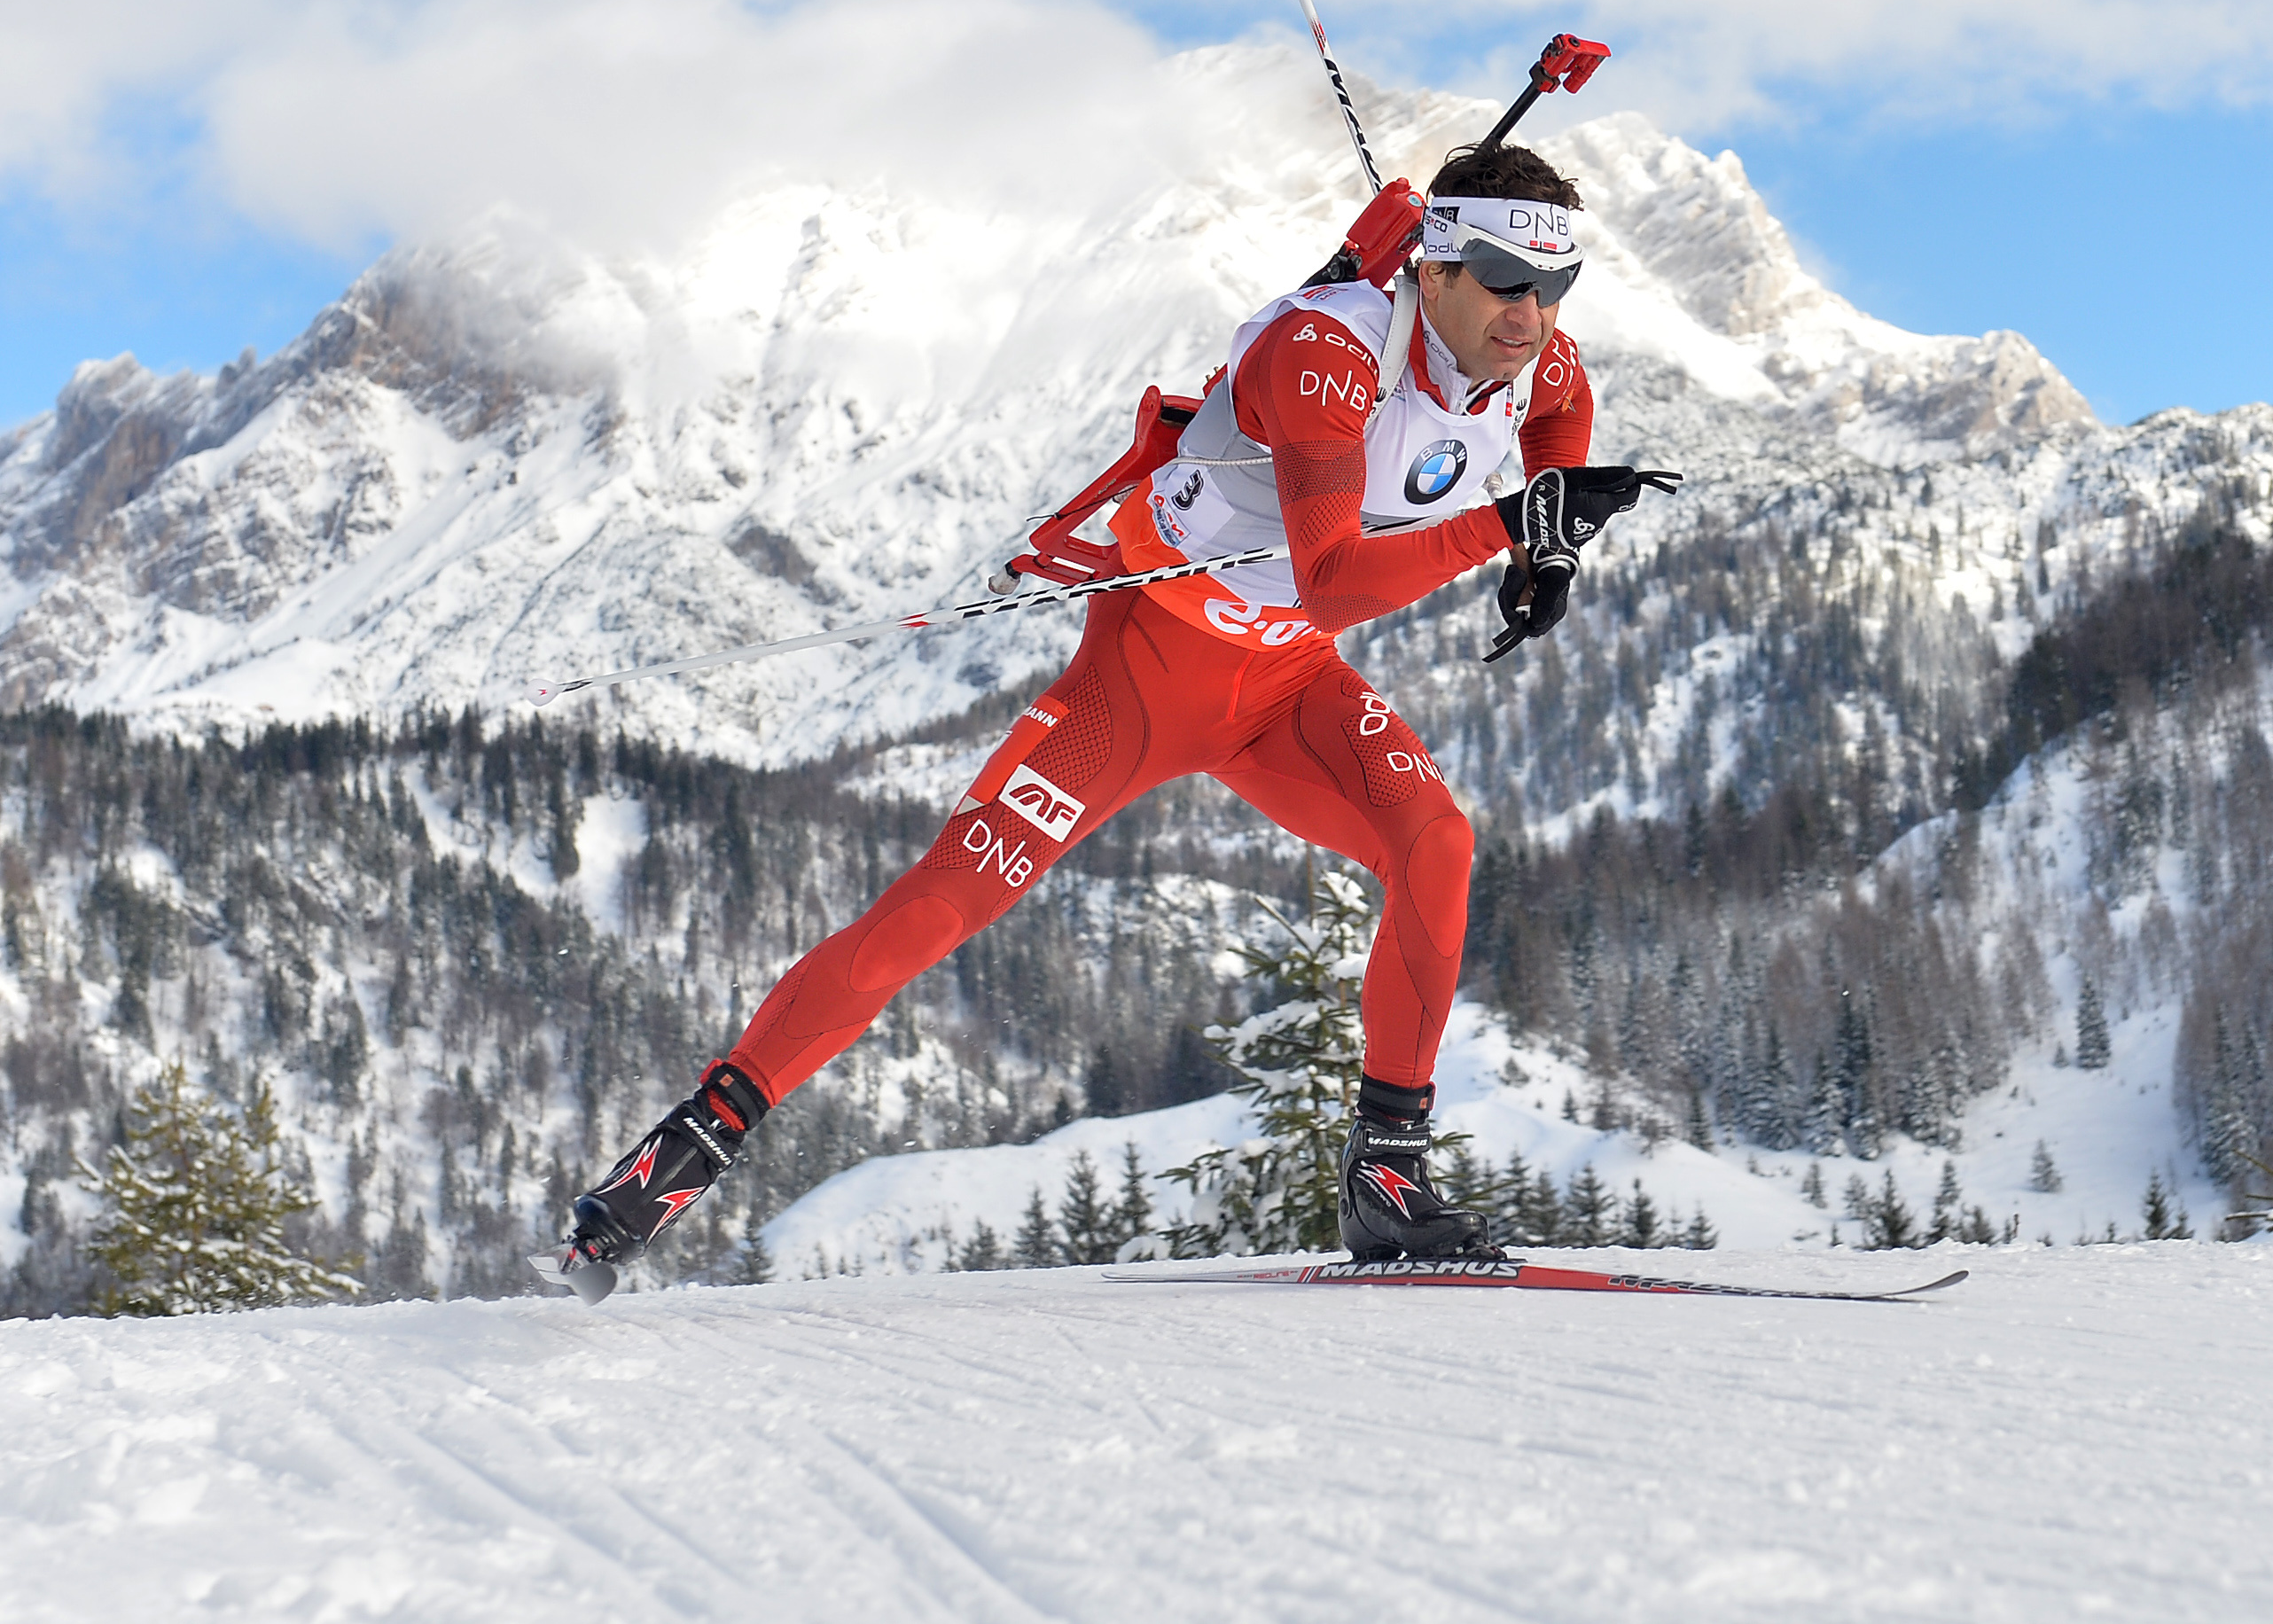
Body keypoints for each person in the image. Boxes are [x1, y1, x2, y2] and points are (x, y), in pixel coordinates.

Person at [558, 141, 1675, 1275]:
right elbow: (1334, 575)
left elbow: (1555, 419)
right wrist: (1512, 523)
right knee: (942, 904)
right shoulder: (1324, 352)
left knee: (1435, 844)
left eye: (1554, 287)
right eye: (1503, 282)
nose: (1531, 316)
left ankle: (1387, 1180)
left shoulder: (1536, 353)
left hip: (1286, 683)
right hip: (1140, 680)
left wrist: (1550, 554)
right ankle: (682, 1153)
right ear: (1432, 267)